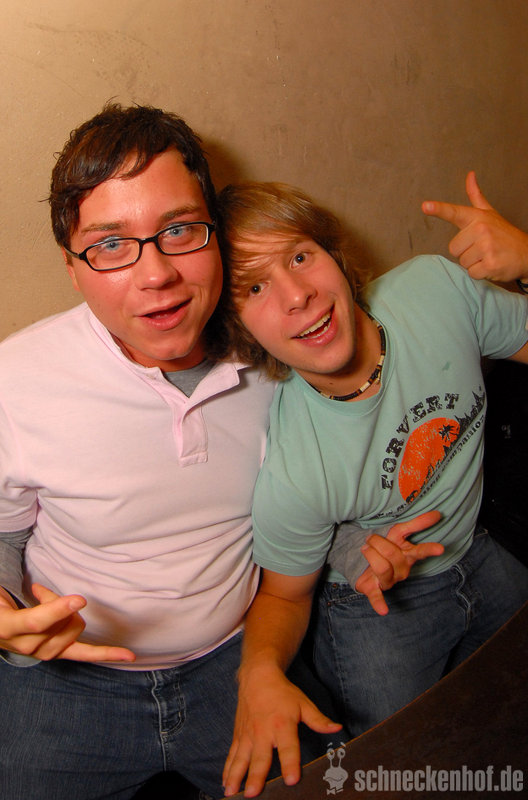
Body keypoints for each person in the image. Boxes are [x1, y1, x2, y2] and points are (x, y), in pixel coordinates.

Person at [0, 103, 432, 800]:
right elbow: (0, 532)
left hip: (235, 659)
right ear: (73, 269)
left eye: (179, 231)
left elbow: (300, 490)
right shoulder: (14, 382)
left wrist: (356, 546)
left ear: (215, 236)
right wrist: (1, 610)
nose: (156, 275)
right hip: (66, 680)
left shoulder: (279, 353)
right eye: (110, 245)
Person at [216, 181, 528, 798]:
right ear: (242, 331)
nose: (297, 295)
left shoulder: (437, 292)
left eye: (300, 256)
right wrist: (259, 671)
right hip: (374, 609)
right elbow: (283, 596)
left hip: (480, 546)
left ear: (335, 254)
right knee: (402, 767)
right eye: (254, 288)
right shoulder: (296, 469)